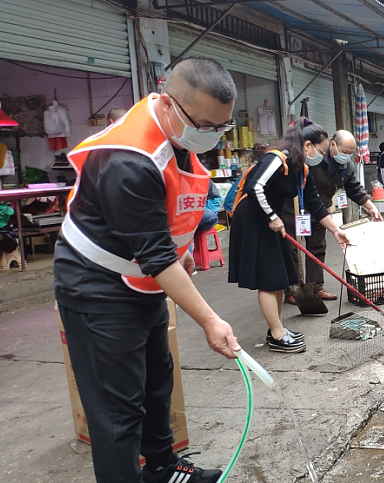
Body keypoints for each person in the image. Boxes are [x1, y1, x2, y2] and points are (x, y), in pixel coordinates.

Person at [54, 57, 240, 483]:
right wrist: (211, 320)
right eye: (206, 125)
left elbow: (167, 216)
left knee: (157, 384)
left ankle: (163, 467)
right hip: (97, 286)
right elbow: (155, 256)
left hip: (141, 278)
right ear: (171, 104)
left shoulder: (178, 135)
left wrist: (182, 249)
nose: (212, 136)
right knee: (118, 411)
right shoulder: (127, 160)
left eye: (221, 128)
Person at [228, 118, 349, 353]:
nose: (321, 156)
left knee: (281, 277)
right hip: (253, 219)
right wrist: (272, 217)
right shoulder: (277, 158)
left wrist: (336, 230)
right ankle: (277, 334)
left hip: (270, 220)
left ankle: (277, 328)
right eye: (320, 150)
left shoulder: (301, 169)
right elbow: (255, 187)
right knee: (268, 278)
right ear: (307, 145)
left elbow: (315, 203)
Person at [283, 129, 382, 304]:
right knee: (291, 249)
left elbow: (354, 189)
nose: (347, 156)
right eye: (345, 152)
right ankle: (292, 289)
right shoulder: (314, 158)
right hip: (294, 209)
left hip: (320, 211)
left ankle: (315, 287)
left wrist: (371, 207)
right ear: (333, 145)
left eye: (351, 153)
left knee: (317, 247)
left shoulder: (346, 166)